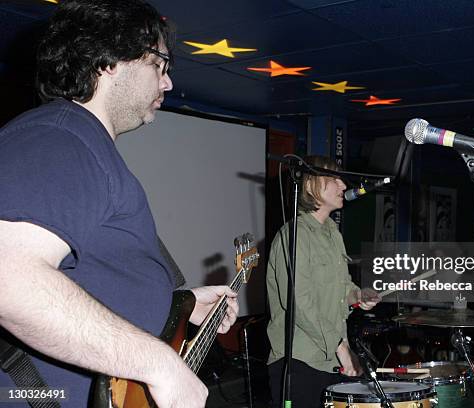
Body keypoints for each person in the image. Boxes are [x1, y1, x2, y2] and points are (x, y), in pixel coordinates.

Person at [0, 1, 238, 407]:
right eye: (160, 65)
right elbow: (8, 278)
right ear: (110, 60)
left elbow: (96, 279)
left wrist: (181, 303)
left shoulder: (79, 141)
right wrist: (159, 364)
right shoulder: (60, 138)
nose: (167, 83)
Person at [266, 156, 381, 408]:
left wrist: (358, 295)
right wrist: (341, 349)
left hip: (331, 358)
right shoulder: (293, 236)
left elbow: (342, 287)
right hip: (299, 361)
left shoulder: (333, 233)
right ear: (309, 186)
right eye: (334, 179)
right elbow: (300, 304)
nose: (342, 185)